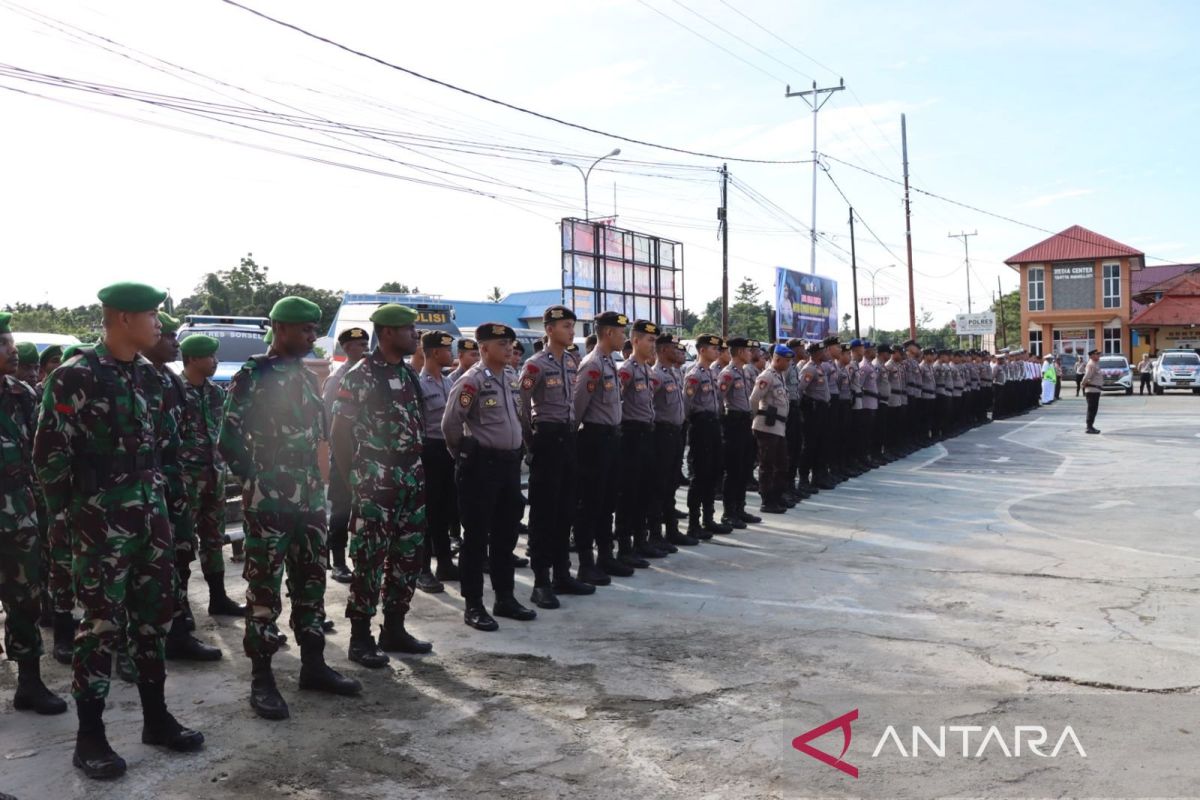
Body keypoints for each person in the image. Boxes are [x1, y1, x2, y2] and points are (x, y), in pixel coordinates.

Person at [35, 283, 203, 779]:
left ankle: (156, 718)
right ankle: (91, 737)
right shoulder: (75, 375)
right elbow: (49, 460)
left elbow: (170, 447)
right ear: (124, 318)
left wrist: (172, 514)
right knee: (100, 628)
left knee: (154, 620)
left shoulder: (154, 379)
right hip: (98, 525)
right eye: (153, 315)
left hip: (151, 520)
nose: (160, 325)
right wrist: (66, 527)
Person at [221, 296, 361, 722]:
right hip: (270, 499)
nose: (311, 336)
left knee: (312, 581)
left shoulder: (303, 374)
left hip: (309, 498)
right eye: (304, 329)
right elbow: (227, 437)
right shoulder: (253, 374)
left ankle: (313, 665)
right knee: (264, 589)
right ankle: (262, 680)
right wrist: (255, 480)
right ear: (281, 329)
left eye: (314, 328)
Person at [331, 304, 432, 668]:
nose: (415, 335)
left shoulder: (406, 373)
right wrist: (353, 480)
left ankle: (394, 628)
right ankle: (360, 638)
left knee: (408, 556)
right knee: (370, 558)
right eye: (408, 329)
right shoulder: (360, 375)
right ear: (387, 333)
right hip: (376, 477)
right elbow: (339, 432)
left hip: (410, 476)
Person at [441, 322, 536, 631]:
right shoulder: (472, 381)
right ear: (483, 348)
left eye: (510, 343)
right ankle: (474, 604)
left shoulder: (510, 377)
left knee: (507, 535)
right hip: (481, 468)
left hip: (509, 466)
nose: (509, 348)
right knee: (476, 539)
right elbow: (450, 425)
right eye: (502, 344)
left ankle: (505, 597)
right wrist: (467, 458)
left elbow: (520, 418)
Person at [143, 312, 223, 662]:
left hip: (201, 477)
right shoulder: (161, 385)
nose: (172, 341)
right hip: (168, 482)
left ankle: (206, 604)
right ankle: (173, 617)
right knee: (171, 550)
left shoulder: (199, 389)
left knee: (201, 541)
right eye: (167, 335)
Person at [1, 312, 68, 718]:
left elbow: (40, 457)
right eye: (3, 344)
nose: (12, 350)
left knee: (25, 603)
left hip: (19, 523)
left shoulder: (22, 394)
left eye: (9, 342)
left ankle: (29, 682)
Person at [517, 306, 594, 609]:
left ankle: (563, 574)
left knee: (566, 509)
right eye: (565, 326)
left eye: (572, 326)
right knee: (544, 514)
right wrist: (530, 441)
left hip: (568, 437)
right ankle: (541, 581)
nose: (571, 331)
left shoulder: (573, 360)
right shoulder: (535, 365)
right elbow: (521, 405)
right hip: (546, 438)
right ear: (549, 329)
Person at [178, 334, 245, 622]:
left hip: (213, 478)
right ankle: (180, 606)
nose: (216, 362)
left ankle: (218, 598)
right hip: (184, 481)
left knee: (214, 538)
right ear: (193, 359)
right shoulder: (174, 391)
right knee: (181, 543)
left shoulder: (215, 393)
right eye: (210, 357)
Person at [572, 312, 630, 580]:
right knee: (591, 503)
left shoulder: (610, 363)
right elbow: (578, 409)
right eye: (621, 333)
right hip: (594, 441)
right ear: (608, 333)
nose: (624, 337)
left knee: (609, 501)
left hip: (612, 439)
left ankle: (606, 556)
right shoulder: (592, 364)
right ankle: (586, 562)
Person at [616, 320, 666, 563]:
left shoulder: (647, 370)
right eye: (649, 340)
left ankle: (640, 540)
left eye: (655, 340)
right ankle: (625, 547)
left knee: (645, 491)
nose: (653, 345)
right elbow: (615, 402)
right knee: (630, 493)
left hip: (647, 434)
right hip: (631, 435)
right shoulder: (626, 370)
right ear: (635, 341)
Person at [323, 327, 370, 584]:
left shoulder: (368, 375)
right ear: (346, 348)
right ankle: (338, 561)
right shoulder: (338, 378)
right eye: (358, 345)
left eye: (365, 343)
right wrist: (343, 458)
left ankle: (360, 557)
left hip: (368, 455)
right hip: (344, 452)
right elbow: (332, 424)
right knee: (341, 508)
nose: (364, 348)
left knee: (363, 510)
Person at [417, 331, 459, 591]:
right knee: (427, 513)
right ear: (434, 353)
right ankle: (422, 570)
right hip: (428, 450)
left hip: (447, 450)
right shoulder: (419, 384)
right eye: (446, 350)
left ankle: (444, 563)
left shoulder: (446, 382)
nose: (451, 354)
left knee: (445, 510)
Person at [684, 334, 732, 538]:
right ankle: (694, 523)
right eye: (713, 349)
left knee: (713, 472)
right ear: (702, 350)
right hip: (700, 425)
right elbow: (686, 404)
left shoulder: (712, 373)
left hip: (713, 423)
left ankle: (708, 518)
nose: (717, 352)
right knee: (700, 476)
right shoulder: (694, 374)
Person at [650, 334, 695, 548]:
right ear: (665, 350)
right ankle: (656, 533)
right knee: (659, 485)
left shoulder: (675, 374)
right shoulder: (656, 375)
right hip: (661, 434)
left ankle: (672, 529)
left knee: (671, 484)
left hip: (675, 433)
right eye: (674, 348)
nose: (679, 352)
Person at [717, 337, 759, 529]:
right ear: (741, 352)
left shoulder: (743, 373)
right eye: (748, 351)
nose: (751, 354)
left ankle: (740, 508)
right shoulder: (728, 374)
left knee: (744, 467)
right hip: (733, 422)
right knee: (733, 470)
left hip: (745, 422)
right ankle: (729, 512)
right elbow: (719, 399)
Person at [750, 344, 792, 513]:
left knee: (782, 464)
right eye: (786, 361)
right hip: (767, 427)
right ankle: (767, 501)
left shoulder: (779, 375)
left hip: (779, 426)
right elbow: (754, 399)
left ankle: (777, 496)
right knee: (767, 465)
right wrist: (754, 419)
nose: (789, 364)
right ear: (777, 359)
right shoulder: (766, 376)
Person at [1082, 348, 1103, 434]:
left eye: (1098, 354)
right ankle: (1089, 427)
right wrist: (1083, 384)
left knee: (1094, 409)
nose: (1098, 355)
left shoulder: (1095, 363)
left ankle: (1091, 426)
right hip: (1091, 390)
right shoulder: (1091, 364)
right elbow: (1087, 376)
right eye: (1096, 354)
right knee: (1091, 409)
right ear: (1092, 356)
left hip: (1095, 390)